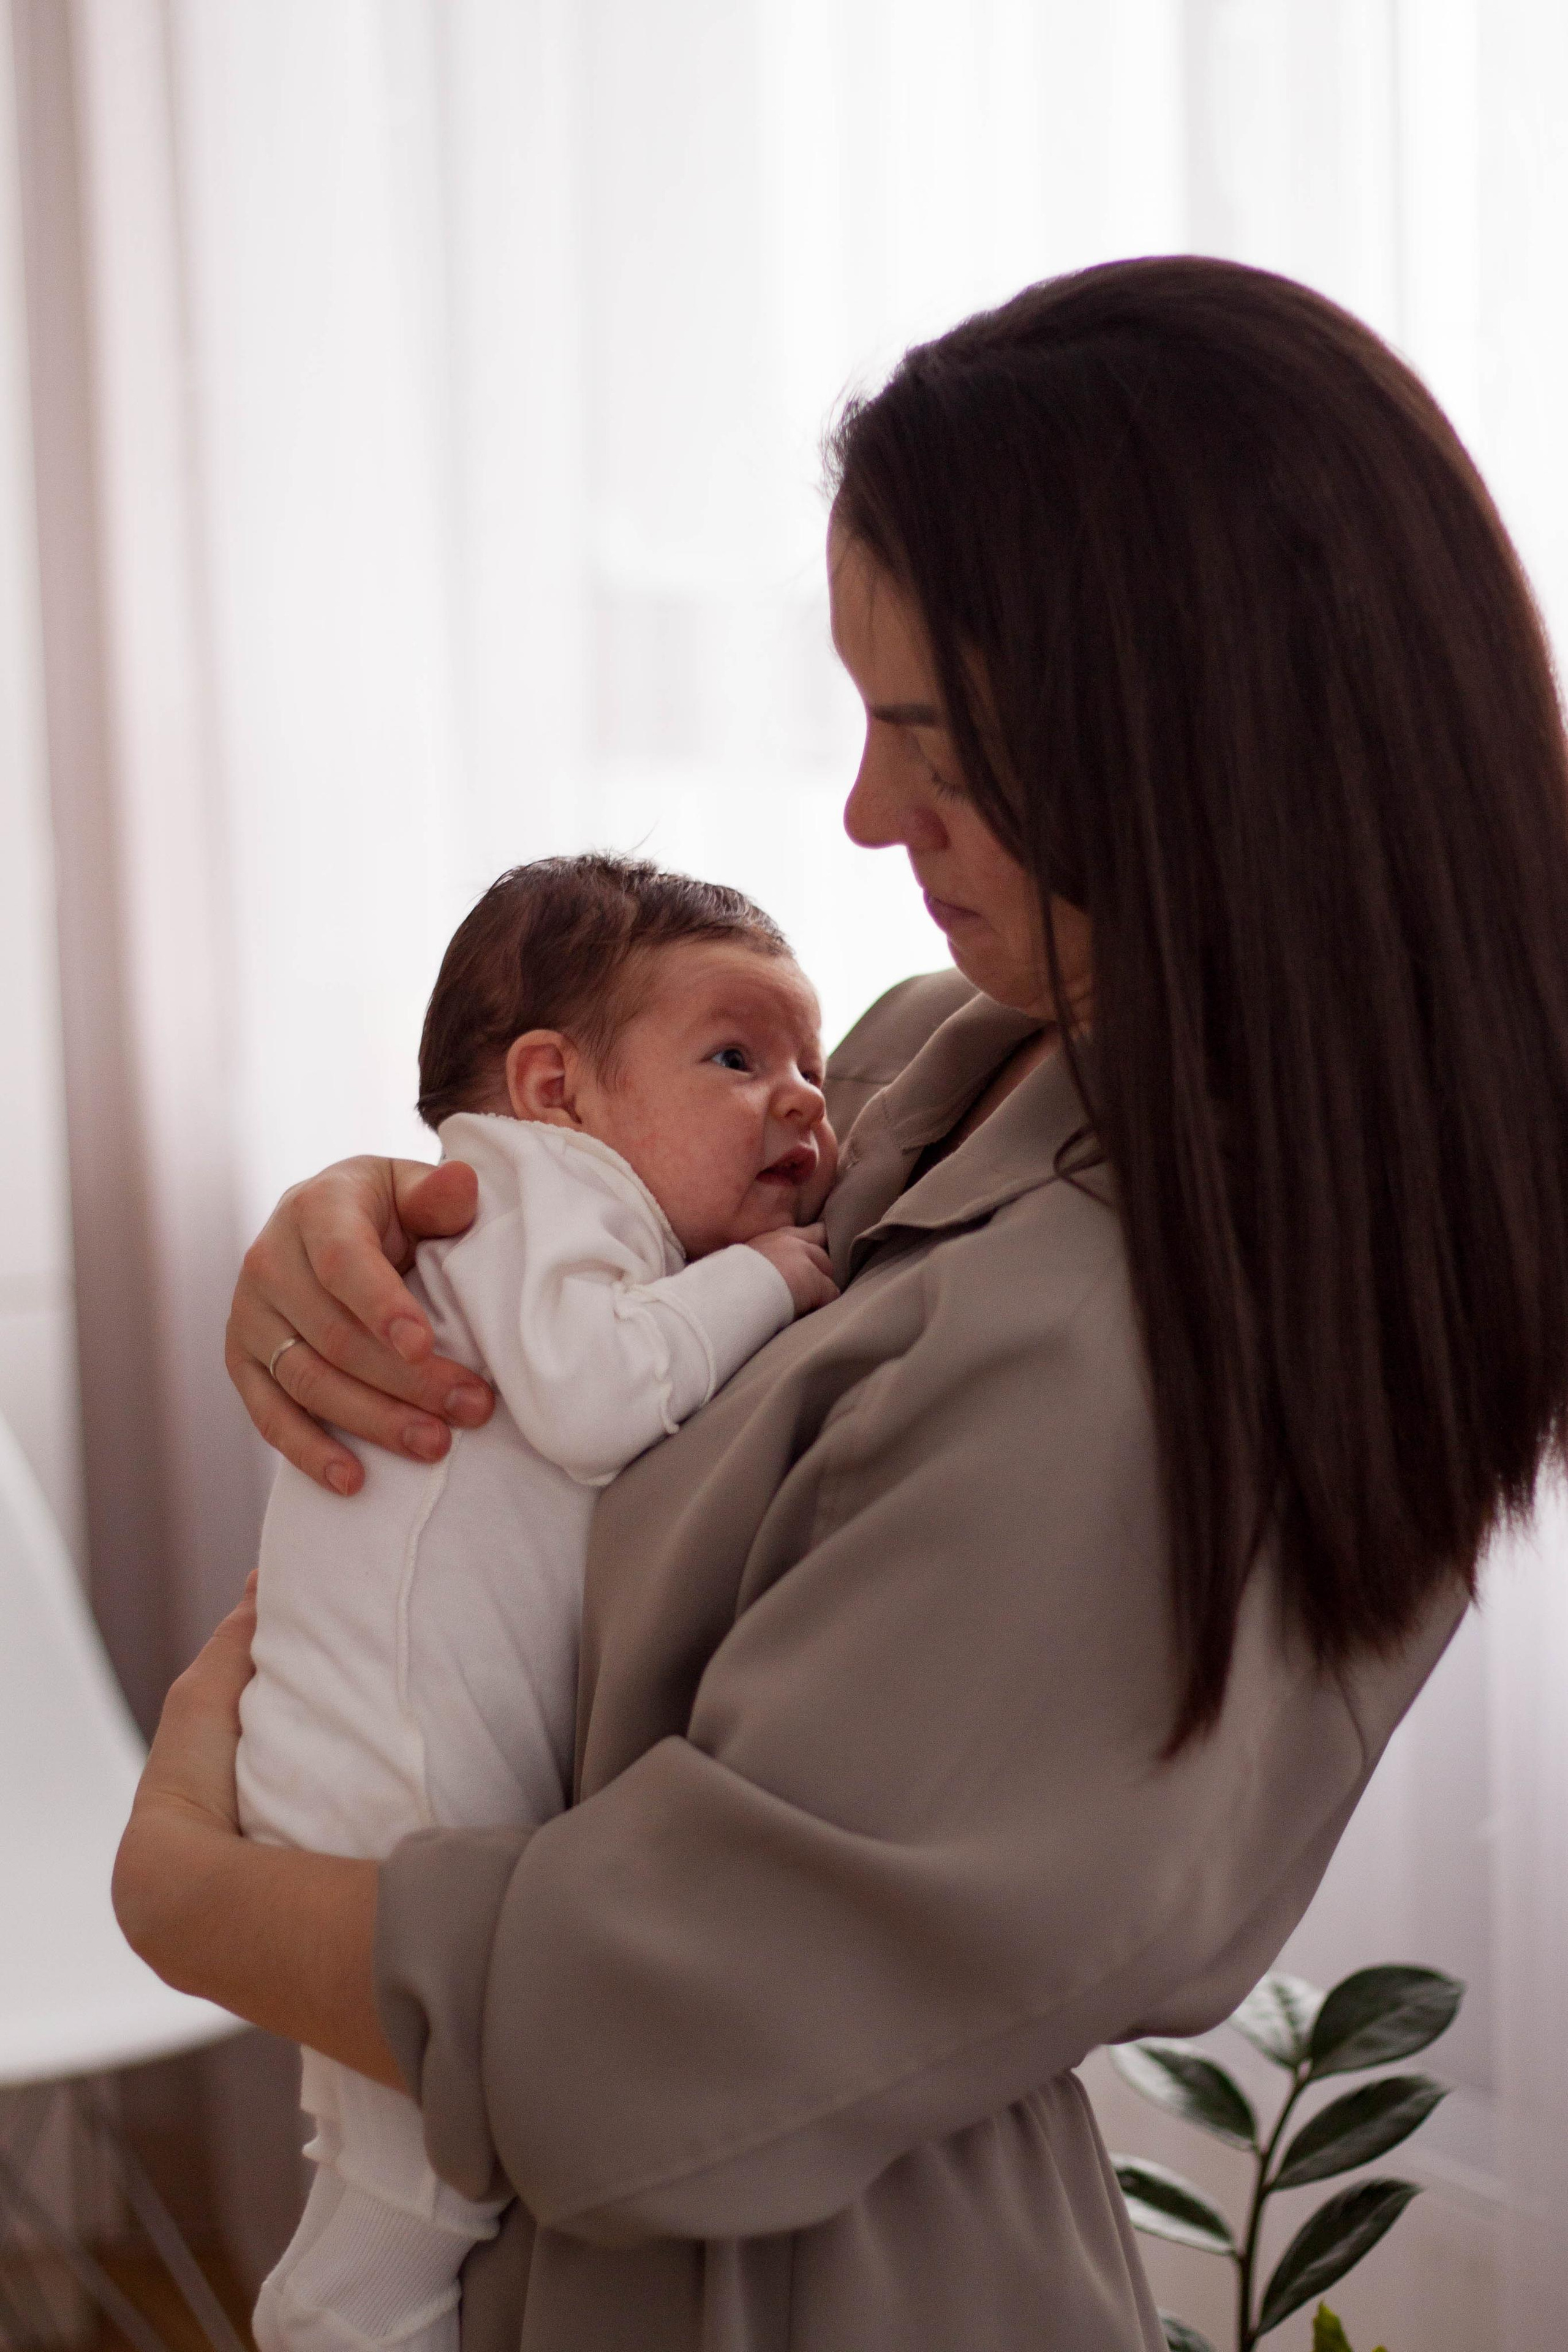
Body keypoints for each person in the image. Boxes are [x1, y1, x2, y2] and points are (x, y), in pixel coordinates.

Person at [115, 258, 1568, 2350]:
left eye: (932, 743)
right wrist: (392, 1206)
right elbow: (631, 1206)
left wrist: (188, 1901)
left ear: (1184, 760)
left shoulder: (1116, 1381)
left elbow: (653, 2026)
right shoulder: (965, 1060)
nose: (867, 815)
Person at [238, 854, 838, 2352]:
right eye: (735, 1056)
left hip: (383, 1768)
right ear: (553, 1087)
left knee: (407, 2183)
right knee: (411, 2201)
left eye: (811, 1065)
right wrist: (775, 1272)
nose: (804, 1101)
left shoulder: (544, 1225)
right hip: (393, 1782)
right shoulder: (527, 1190)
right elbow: (588, 1399)